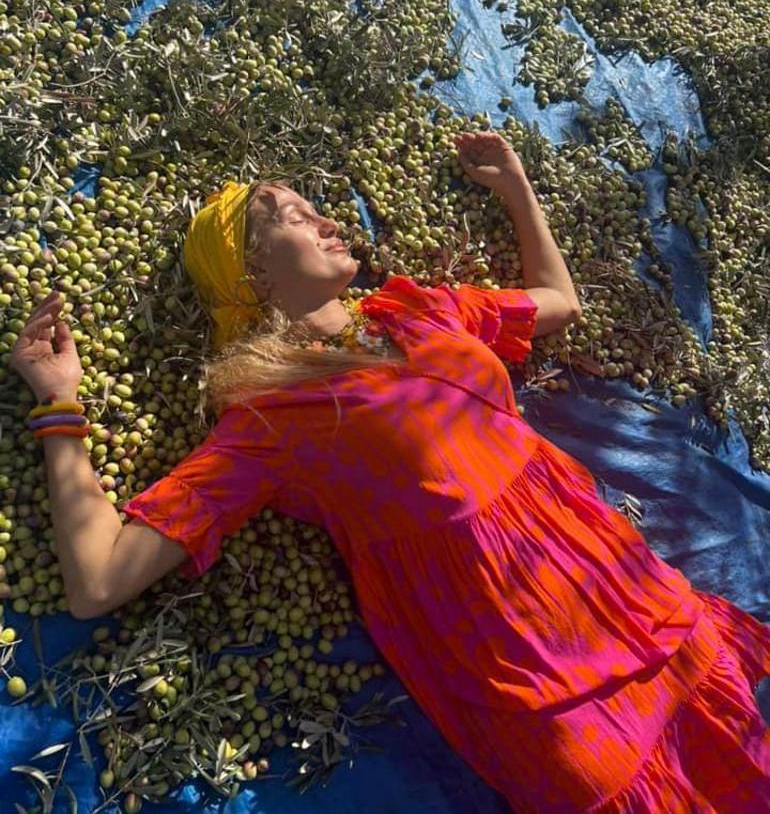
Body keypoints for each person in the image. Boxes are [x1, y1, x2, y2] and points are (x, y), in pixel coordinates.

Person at [11, 131, 770, 813]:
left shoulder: (421, 312)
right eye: (293, 216)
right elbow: (100, 580)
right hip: (539, 678)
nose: (329, 220)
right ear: (251, 275)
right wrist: (60, 405)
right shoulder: (277, 417)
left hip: (636, 599)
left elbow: (558, 304)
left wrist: (515, 186)